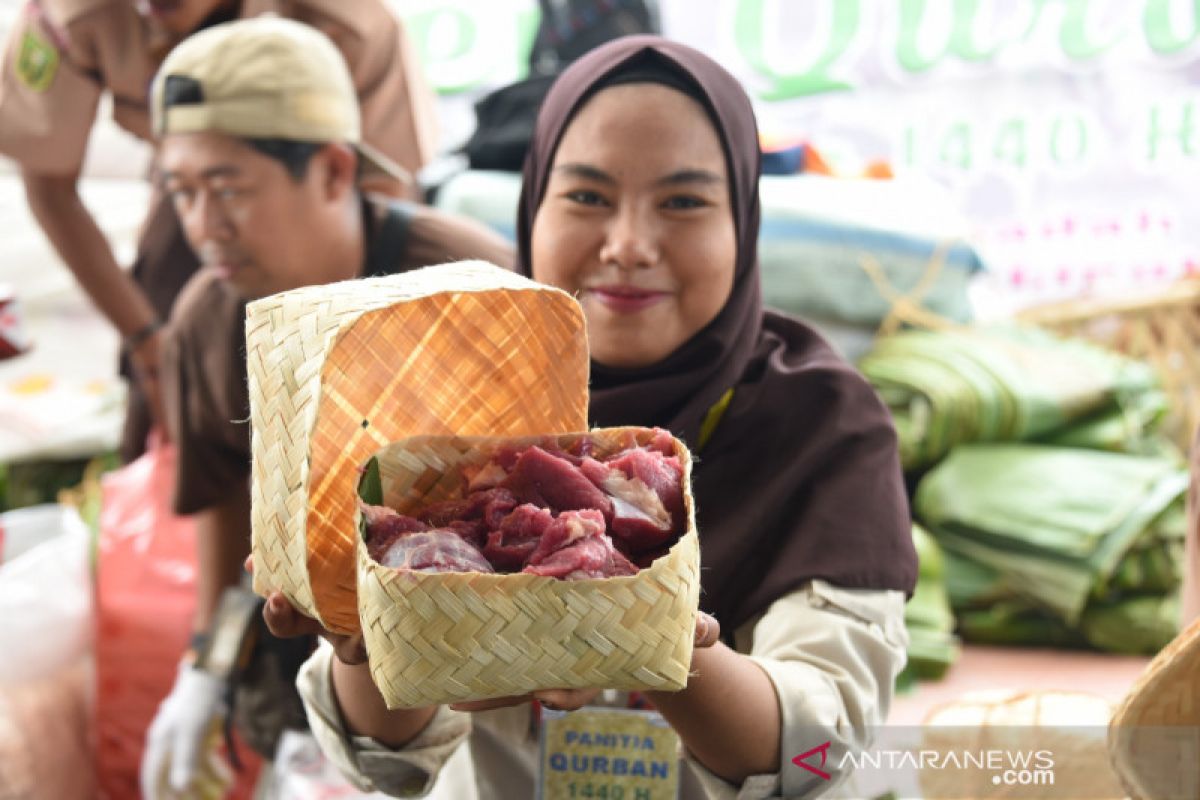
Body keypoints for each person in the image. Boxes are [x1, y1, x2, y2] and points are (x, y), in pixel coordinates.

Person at [261, 35, 918, 799]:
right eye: (586, 197)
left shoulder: (820, 425)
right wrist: (368, 636)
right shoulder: (451, 411)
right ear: (531, 207)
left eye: (683, 202)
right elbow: (383, 759)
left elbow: (821, 747)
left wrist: (644, 630)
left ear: (743, 219)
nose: (629, 245)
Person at [136, 17, 513, 798]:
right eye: (183, 192)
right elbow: (221, 502)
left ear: (335, 171)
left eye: (229, 188)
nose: (204, 226)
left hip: (488, 652)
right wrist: (203, 666)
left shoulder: (469, 283)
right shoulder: (209, 322)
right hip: (305, 642)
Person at [0, 0, 438, 463]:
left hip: (326, 218)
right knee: (180, 405)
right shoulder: (68, 15)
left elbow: (380, 201)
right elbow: (48, 185)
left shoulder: (352, 20)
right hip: (196, 181)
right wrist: (149, 344)